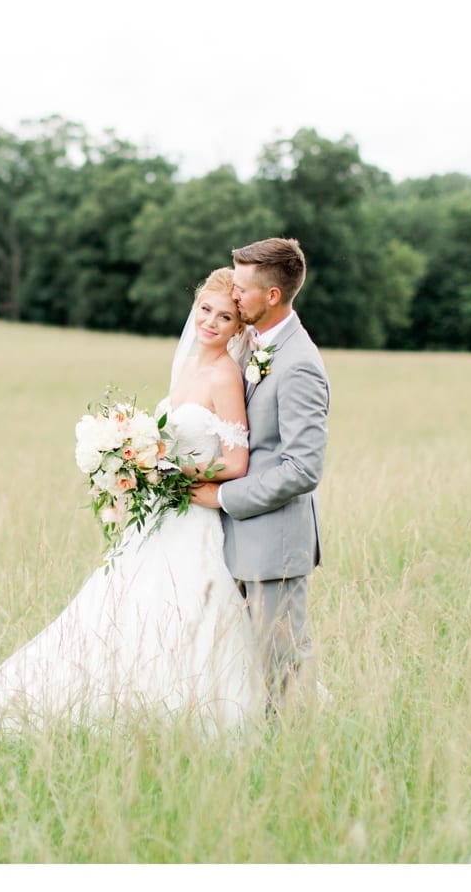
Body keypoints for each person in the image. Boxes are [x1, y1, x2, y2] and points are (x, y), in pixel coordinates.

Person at [0, 268, 265, 748]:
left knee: (182, 613)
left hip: (194, 516)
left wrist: (172, 472)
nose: (210, 322)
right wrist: (141, 457)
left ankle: (181, 713)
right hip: (163, 516)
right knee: (118, 611)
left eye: (225, 317)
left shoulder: (225, 374)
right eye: (205, 309)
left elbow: (237, 461)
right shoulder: (187, 365)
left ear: (237, 327)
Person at [190, 238, 330, 719]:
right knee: (240, 670)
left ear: (272, 296)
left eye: (243, 289)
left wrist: (223, 495)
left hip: (274, 548)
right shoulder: (253, 341)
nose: (234, 296)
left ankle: (297, 762)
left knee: (282, 673)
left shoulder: (299, 365)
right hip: (233, 542)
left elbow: (302, 468)